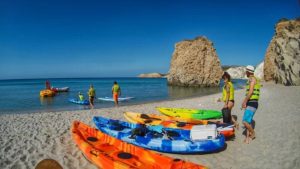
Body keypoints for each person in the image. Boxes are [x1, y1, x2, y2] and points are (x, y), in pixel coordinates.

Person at [242, 65, 261, 144]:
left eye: (246, 71)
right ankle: (247, 139)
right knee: (248, 121)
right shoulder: (252, 79)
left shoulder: (252, 79)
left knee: (245, 121)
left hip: (252, 103)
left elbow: (250, 92)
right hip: (252, 102)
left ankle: (253, 133)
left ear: (248, 72)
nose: (245, 72)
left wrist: (244, 101)